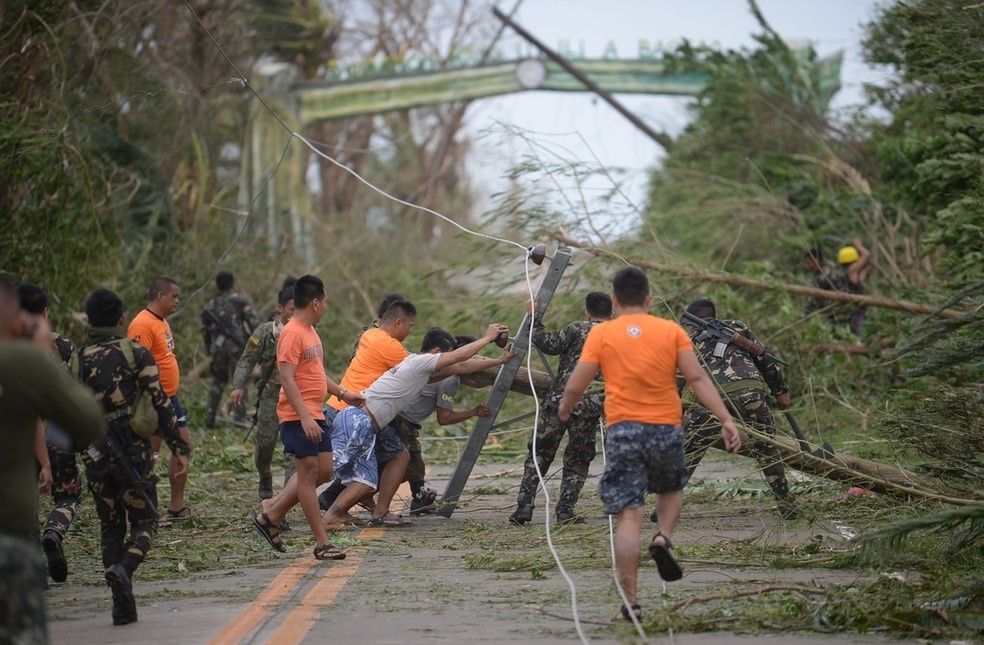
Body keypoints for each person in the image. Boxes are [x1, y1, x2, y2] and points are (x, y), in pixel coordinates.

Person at [558, 266, 741, 623]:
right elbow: (697, 377)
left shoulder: (602, 333)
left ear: (613, 300)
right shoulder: (671, 331)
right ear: (648, 299)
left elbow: (578, 381)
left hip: (624, 430)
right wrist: (726, 418)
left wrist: (566, 406)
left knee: (629, 514)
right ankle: (663, 537)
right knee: (671, 488)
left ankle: (631, 603)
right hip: (666, 428)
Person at [76, 288, 191, 626]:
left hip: (95, 452)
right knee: (146, 520)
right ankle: (125, 569)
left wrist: (65, 465)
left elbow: (63, 412)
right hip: (133, 453)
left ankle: (119, 601)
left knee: (110, 527)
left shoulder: (76, 359)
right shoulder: (135, 353)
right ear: (121, 319)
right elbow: (160, 401)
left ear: (89, 320)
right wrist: (179, 446)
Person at [322, 324, 510, 529]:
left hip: (364, 421)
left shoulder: (418, 368)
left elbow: (461, 366)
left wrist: (499, 361)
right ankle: (321, 511)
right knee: (323, 470)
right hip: (359, 421)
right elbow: (458, 359)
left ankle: (361, 512)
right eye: (444, 357)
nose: (446, 363)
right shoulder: (421, 362)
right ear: (436, 353)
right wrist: (488, 338)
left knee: (383, 467)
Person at [0, 275, 104, 642]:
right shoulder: (30, 357)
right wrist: (41, 352)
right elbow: (87, 419)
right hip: (11, 535)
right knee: (67, 495)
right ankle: (51, 536)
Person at [251, 275, 363, 561]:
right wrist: (303, 418)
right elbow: (286, 378)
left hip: (315, 410)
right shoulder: (292, 333)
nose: (325, 307)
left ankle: (271, 515)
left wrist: (342, 392)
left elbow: (315, 373)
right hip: (297, 414)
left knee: (324, 471)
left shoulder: (311, 332)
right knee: (308, 473)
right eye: (324, 302)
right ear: (315, 303)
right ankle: (322, 543)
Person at [674, 299, 798, 519]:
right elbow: (766, 359)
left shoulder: (686, 340)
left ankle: (667, 505)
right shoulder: (737, 327)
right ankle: (785, 503)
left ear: (692, 322)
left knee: (690, 448)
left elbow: (680, 381)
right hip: (750, 392)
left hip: (710, 400)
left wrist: (678, 416)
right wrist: (780, 391)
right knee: (767, 447)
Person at [511, 292, 612, 526]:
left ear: (588, 312)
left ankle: (524, 506)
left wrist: (533, 317)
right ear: (612, 313)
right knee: (578, 458)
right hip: (591, 406)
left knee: (540, 452)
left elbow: (549, 343)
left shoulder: (577, 328)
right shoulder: (617, 336)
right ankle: (565, 510)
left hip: (559, 400)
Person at [18, 283, 85, 582]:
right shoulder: (64, 346)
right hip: (57, 432)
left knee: (26, 497)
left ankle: (35, 569)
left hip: (19, 432)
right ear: (46, 311)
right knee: (68, 495)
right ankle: (54, 533)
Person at [128, 276, 193, 520]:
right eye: (174, 296)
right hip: (153, 400)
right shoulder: (142, 324)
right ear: (160, 296)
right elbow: (136, 364)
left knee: (180, 447)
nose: (177, 300)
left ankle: (176, 507)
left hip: (170, 397)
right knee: (153, 452)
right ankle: (141, 504)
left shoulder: (162, 321)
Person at [229, 285, 296, 499]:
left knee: (293, 449)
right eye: (292, 309)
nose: (295, 314)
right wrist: (238, 386)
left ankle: (286, 496)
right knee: (266, 443)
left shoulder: (305, 332)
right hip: (270, 395)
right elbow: (247, 359)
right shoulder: (265, 333)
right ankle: (264, 474)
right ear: (280, 309)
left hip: (295, 397)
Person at [201, 270, 259, 427]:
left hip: (218, 347)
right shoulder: (240, 301)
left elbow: (205, 330)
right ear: (232, 283)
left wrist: (209, 349)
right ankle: (239, 419)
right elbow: (254, 323)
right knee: (240, 381)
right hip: (237, 347)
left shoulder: (211, 304)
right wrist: (253, 344)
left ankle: (210, 417)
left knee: (218, 380)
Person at [804, 240, 871, 336]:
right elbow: (866, 255)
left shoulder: (843, 272)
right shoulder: (852, 270)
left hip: (850, 311)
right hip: (856, 311)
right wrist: (858, 245)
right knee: (861, 336)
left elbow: (859, 281)